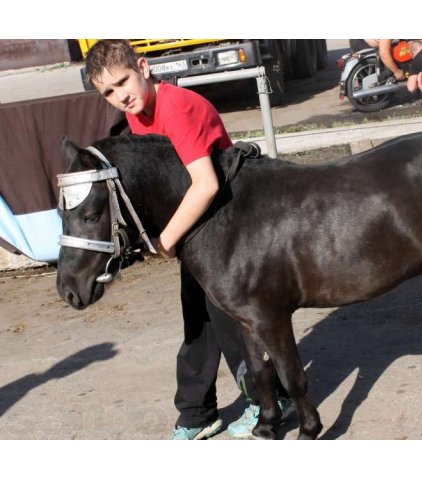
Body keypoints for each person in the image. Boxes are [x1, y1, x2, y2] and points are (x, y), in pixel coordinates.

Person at [84, 39, 291, 440]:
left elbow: (206, 183)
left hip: (228, 222)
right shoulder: (138, 118)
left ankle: (270, 396)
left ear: (143, 68)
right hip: (199, 233)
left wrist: (165, 241)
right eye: (107, 92)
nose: (119, 96)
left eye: (122, 81)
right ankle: (198, 413)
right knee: (197, 320)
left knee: (228, 321)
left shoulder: (176, 106)